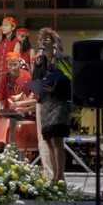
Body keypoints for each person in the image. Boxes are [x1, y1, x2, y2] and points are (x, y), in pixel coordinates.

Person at [34, 28, 70, 182]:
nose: (43, 42)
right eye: (42, 40)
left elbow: (69, 80)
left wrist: (56, 87)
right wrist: (37, 63)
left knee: (57, 139)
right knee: (48, 140)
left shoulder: (64, 58)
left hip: (59, 101)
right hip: (45, 102)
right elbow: (36, 78)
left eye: (47, 39)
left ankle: (60, 176)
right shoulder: (40, 60)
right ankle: (54, 177)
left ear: (54, 42)